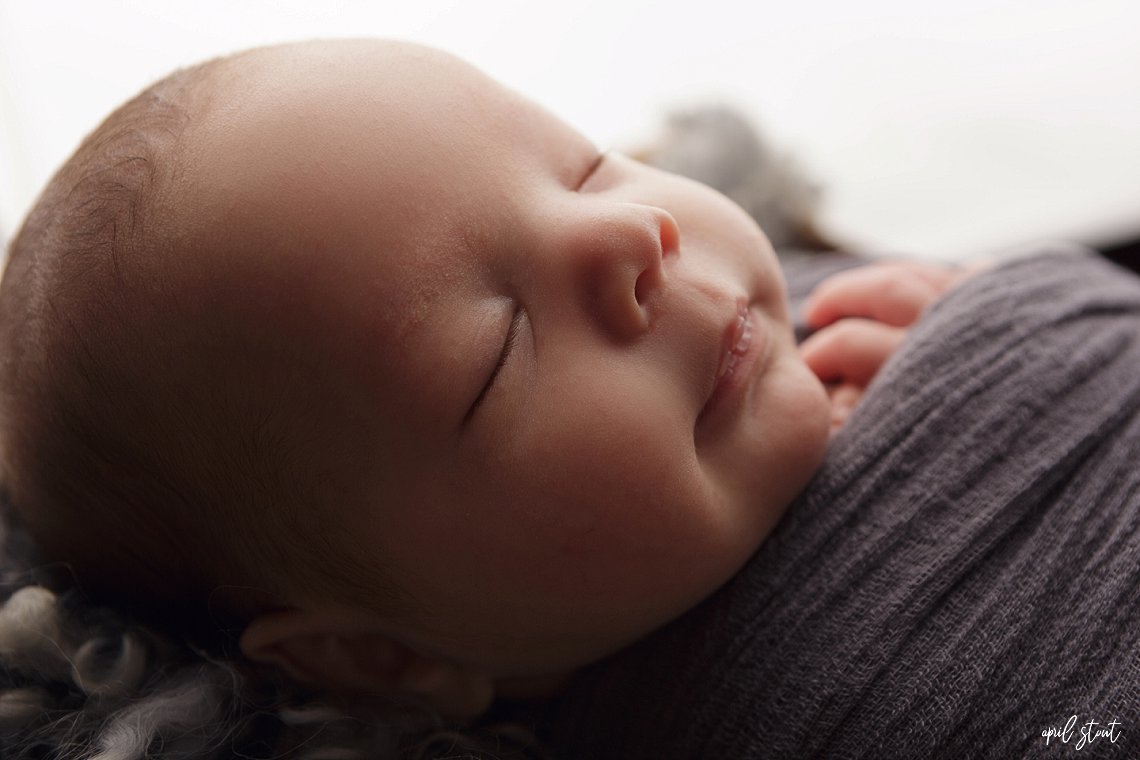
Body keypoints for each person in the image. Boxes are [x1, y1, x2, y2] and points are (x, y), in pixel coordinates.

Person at [5, 38, 1133, 760]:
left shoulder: (855, 313)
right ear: (385, 662)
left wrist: (1017, 331)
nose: (634, 237)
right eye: (499, 348)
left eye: (586, 167)